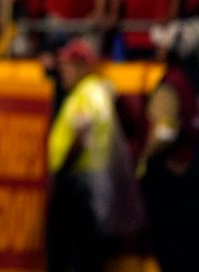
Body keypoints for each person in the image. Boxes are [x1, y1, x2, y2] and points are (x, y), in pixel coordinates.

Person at [140, 18, 199, 272]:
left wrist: (143, 161)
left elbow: (166, 132)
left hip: (171, 180)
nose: (158, 50)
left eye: (163, 46)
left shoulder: (173, 83)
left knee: (173, 254)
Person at [47, 39, 141, 272]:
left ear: (82, 66)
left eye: (68, 65)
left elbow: (80, 136)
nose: (63, 71)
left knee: (73, 251)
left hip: (78, 184)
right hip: (87, 184)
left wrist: (61, 172)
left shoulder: (86, 93)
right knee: (84, 252)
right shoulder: (93, 91)